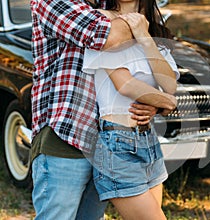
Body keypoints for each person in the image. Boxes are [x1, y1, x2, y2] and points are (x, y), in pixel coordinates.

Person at [30, 0, 159, 219]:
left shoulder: (106, 3)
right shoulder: (53, 1)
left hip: (108, 143)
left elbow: (136, 64)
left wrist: (151, 102)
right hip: (65, 137)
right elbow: (109, 36)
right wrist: (140, 23)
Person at [82, 0, 179, 219]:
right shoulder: (102, 22)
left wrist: (144, 38)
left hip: (148, 140)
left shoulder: (152, 34)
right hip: (117, 143)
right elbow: (125, 84)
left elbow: (170, 85)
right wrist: (167, 102)